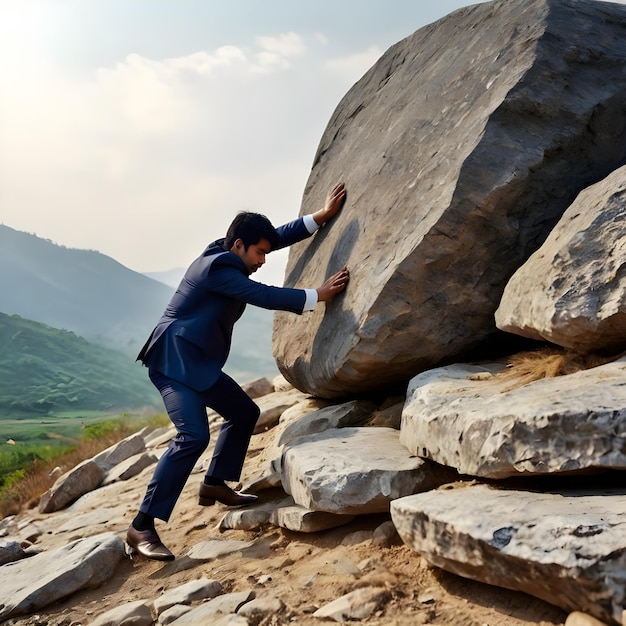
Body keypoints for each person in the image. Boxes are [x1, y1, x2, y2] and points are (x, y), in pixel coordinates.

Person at [126, 182, 350, 561]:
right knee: (192, 437)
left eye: (265, 252)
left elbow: (273, 236)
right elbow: (263, 295)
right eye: (259, 253)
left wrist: (320, 217)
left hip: (198, 361)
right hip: (172, 363)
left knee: (244, 412)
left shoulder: (228, 247)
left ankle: (214, 484)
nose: (264, 258)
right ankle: (141, 526)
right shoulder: (218, 269)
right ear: (239, 247)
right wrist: (316, 295)